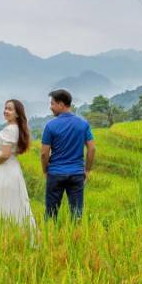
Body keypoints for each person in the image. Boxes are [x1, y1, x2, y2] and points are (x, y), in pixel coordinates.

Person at [40, 89, 96, 220]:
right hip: (76, 174)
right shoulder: (83, 124)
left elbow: (44, 153)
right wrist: (87, 170)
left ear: (61, 104)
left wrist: (45, 170)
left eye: (52, 104)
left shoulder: (50, 126)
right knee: (77, 214)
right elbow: (92, 149)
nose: (50, 107)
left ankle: (50, 238)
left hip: (55, 173)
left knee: (51, 214)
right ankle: (76, 239)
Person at [0, 99, 36, 230]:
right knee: (12, 204)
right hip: (9, 170)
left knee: (5, 204)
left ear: (17, 114)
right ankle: (14, 236)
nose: (6, 111)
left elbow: (5, 154)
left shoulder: (11, 130)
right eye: (5, 108)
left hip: (6, 171)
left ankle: (5, 236)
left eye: (10, 109)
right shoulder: (14, 129)